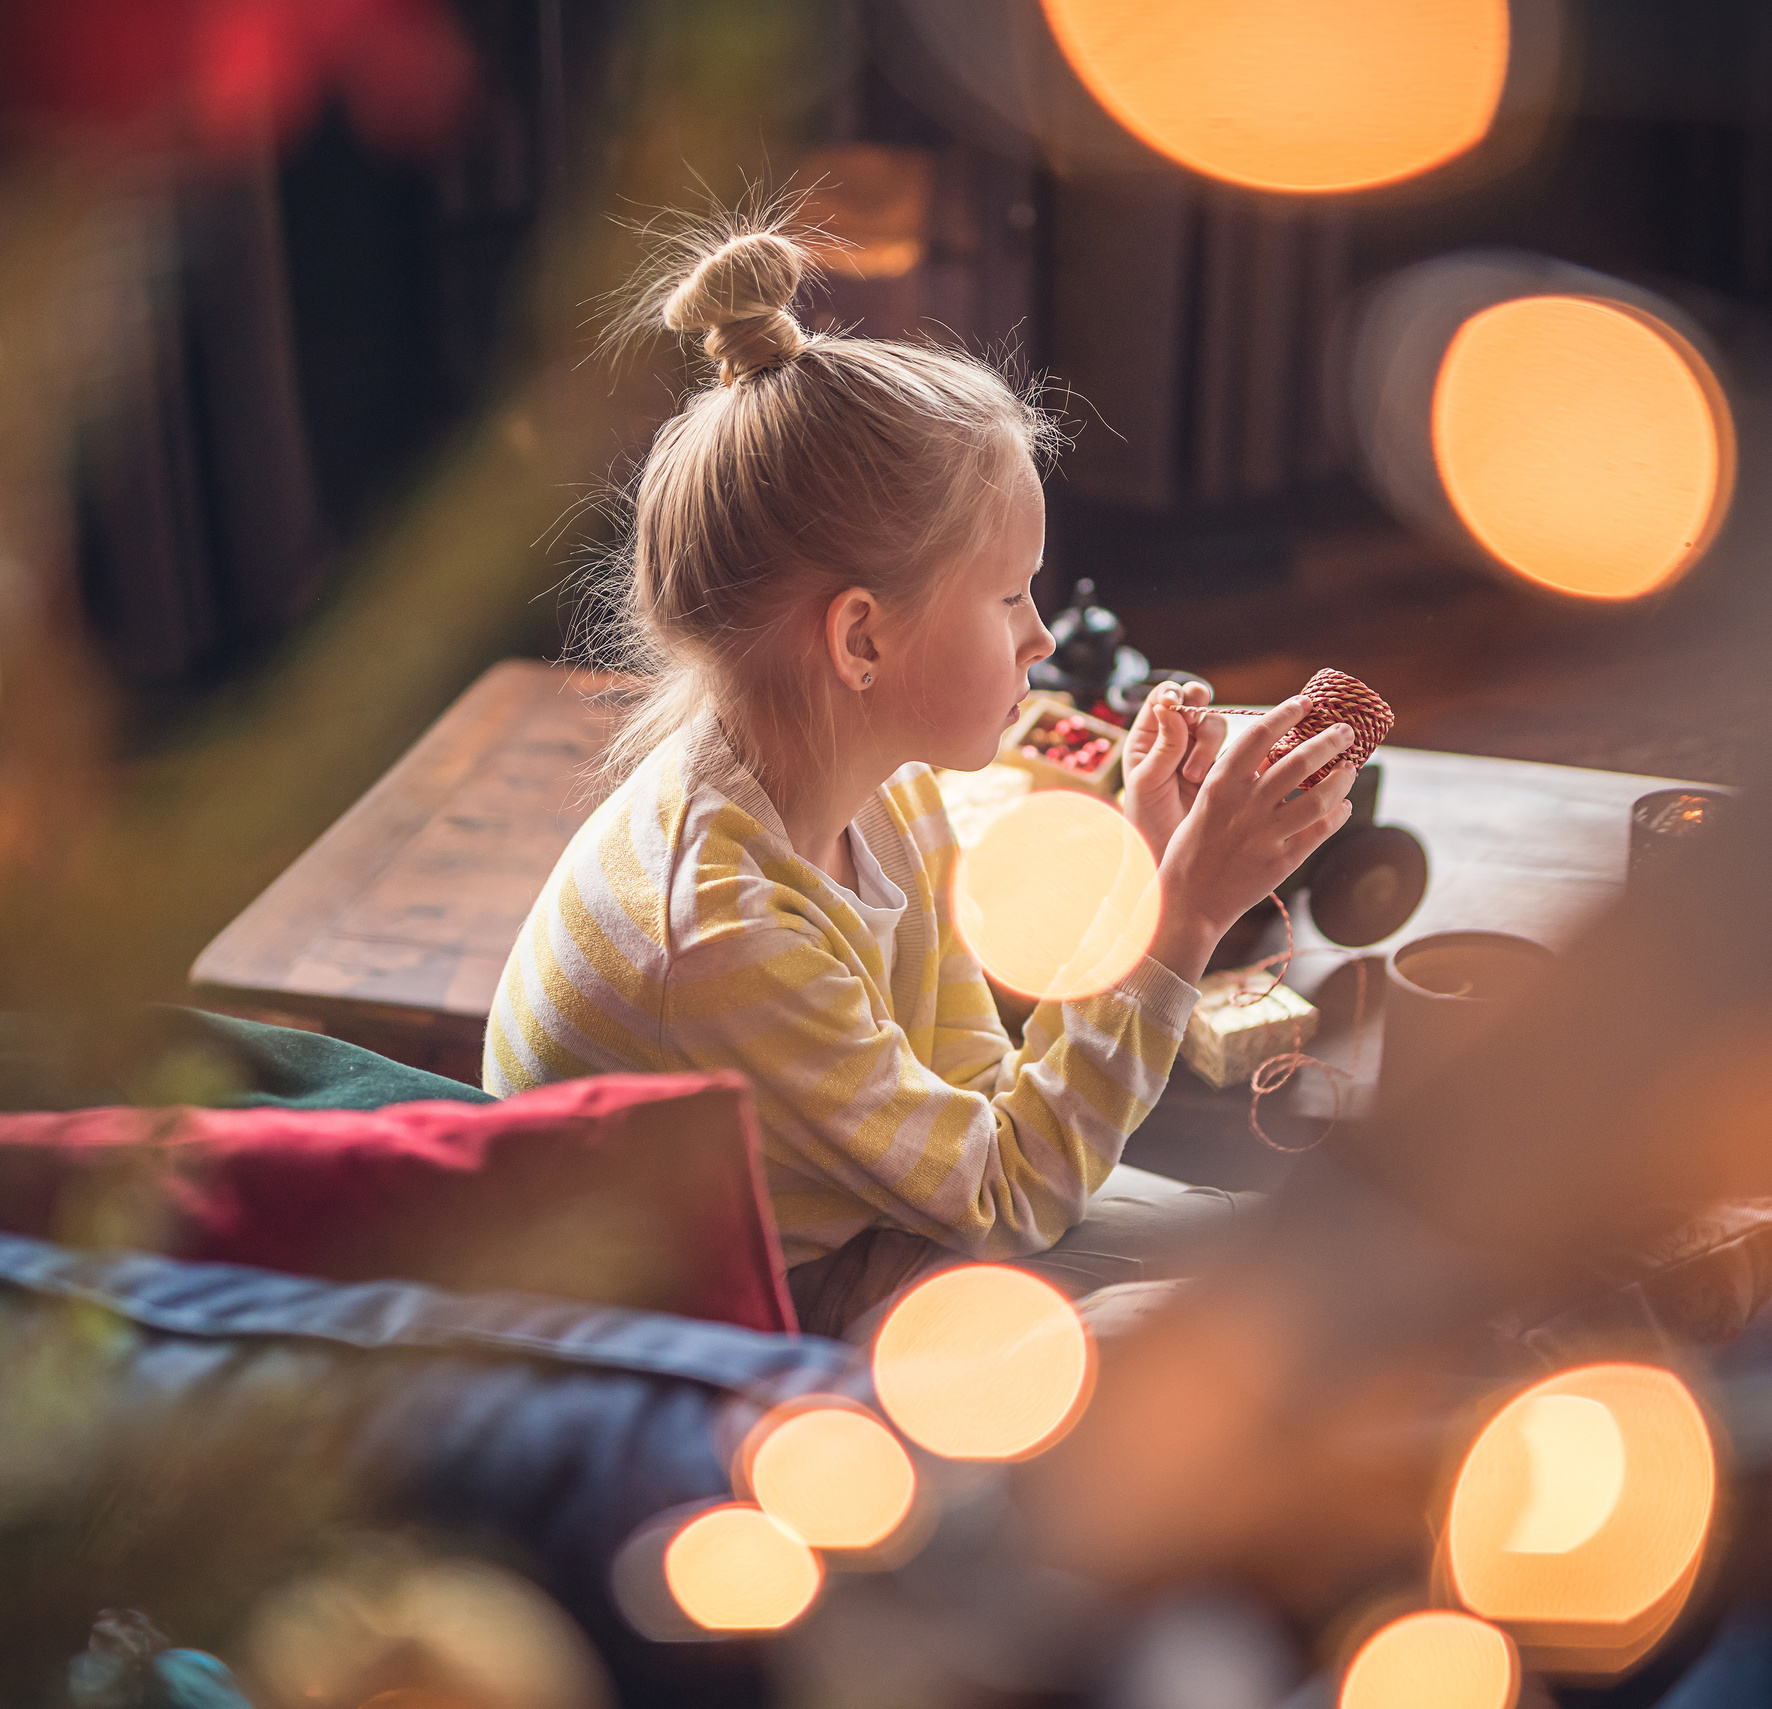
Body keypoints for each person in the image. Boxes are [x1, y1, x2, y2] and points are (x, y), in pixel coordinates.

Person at [483, 216, 1358, 1337]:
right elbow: (1009, 1191)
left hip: (866, 1226)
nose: (1041, 638)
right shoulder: (717, 938)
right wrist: (1182, 912)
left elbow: (980, 1111)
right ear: (859, 641)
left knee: (1279, 1249)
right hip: (733, 1327)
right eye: (1007, 599)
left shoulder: (875, 790)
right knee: (1219, 1325)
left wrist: (1144, 866)